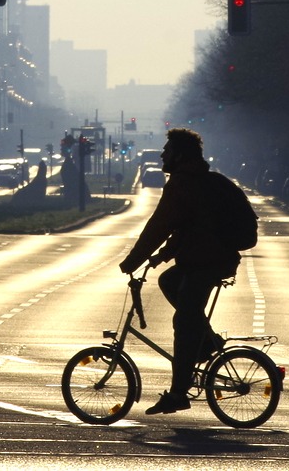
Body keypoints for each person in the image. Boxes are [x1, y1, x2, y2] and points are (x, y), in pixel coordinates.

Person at [119, 127, 244, 414]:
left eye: (167, 150)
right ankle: (208, 341)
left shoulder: (184, 184)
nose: (163, 154)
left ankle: (178, 393)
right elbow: (187, 229)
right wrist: (160, 258)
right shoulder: (197, 182)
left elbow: (159, 226)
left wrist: (132, 262)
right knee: (169, 280)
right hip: (206, 257)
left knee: (184, 323)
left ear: (179, 155)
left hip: (208, 261)